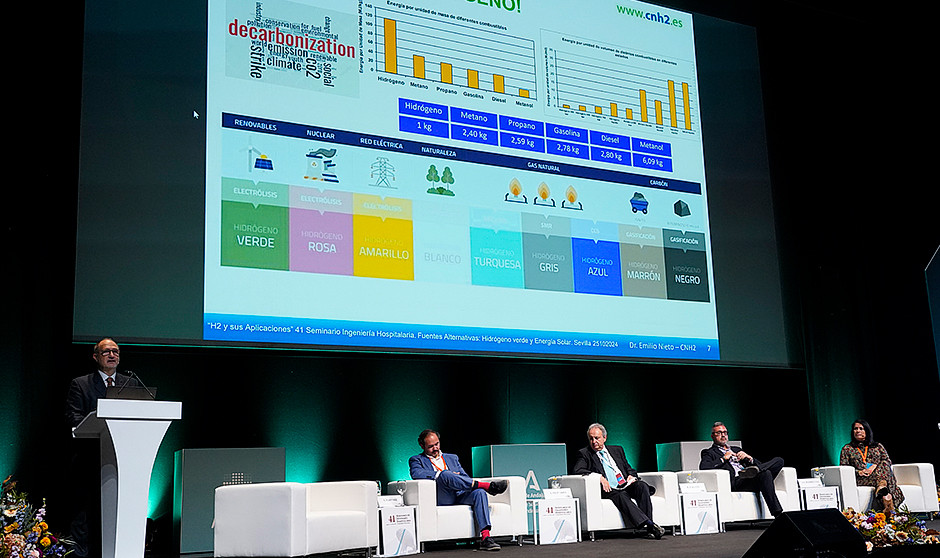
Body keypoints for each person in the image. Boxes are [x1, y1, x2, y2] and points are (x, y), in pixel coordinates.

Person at [64, 338, 139, 557]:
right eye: (106, 352)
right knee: (84, 515)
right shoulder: (81, 384)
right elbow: (73, 416)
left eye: (116, 351)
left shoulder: (131, 383)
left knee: (117, 511)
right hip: (88, 458)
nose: (112, 355)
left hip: (121, 459)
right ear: (96, 356)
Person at [409, 429, 509, 552]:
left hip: (460, 494)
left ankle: (486, 537)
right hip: (442, 496)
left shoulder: (452, 458)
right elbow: (416, 473)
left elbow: (465, 478)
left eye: (437, 444)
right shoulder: (416, 459)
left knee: (479, 493)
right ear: (422, 446)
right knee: (445, 474)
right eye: (431, 446)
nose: (435, 448)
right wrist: (441, 475)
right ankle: (487, 486)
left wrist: (454, 478)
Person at [572, 423, 665, 539]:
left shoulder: (617, 450)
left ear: (604, 438)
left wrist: (631, 476)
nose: (594, 441)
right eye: (591, 439)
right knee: (621, 495)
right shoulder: (585, 453)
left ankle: (650, 528)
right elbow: (578, 470)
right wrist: (599, 477)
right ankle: (650, 525)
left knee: (641, 486)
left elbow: (629, 468)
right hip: (609, 489)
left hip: (625, 484)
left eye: (597, 438)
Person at [699, 421, 785, 517]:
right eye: (719, 433)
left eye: (725, 432)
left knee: (778, 461)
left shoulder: (736, 449)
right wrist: (723, 458)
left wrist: (749, 458)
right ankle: (778, 514)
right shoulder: (709, 452)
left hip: (751, 478)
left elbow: (762, 465)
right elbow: (704, 467)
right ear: (712, 436)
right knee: (766, 473)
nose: (723, 435)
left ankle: (755, 470)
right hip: (737, 481)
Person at [840, 419, 904, 514]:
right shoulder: (847, 449)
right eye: (855, 429)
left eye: (861, 428)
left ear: (867, 431)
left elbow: (887, 461)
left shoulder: (877, 446)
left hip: (878, 475)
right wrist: (859, 472)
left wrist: (874, 466)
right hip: (862, 479)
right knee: (886, 480)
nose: (858, 431)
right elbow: (843, 468)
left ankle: (883, 490)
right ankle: (887, 498)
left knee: (884, 464)